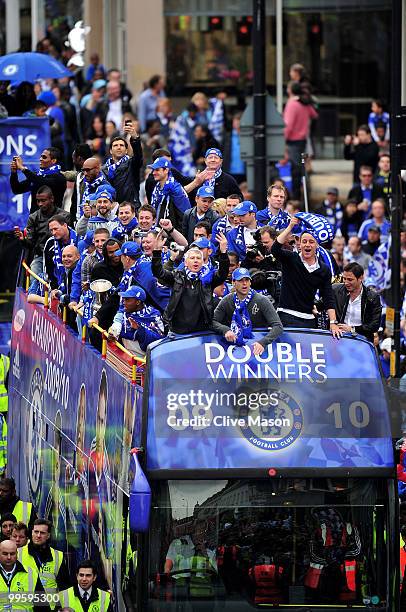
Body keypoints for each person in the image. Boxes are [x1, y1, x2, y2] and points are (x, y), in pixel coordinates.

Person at [271, 217, 341, 336]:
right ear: (300, 244)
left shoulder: (323, 269)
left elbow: (328, 297)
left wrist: (333, 322)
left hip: (309, 319)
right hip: (286, 316)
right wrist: (290, 227)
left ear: (317, 245)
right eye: (304, 241)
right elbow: (275, 249)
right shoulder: (291, 258)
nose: (307, 245)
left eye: (311, 242)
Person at [152, 232, 229, 334]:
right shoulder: (177, 276)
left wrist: (223, 253)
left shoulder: (209, 279)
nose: (196, 261)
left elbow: (223, 273)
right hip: (177, 331)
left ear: (202, 262)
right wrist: (157, 252)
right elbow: (159, 273)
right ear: (185, 262)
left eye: (198, 258)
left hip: (202, 331)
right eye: (192, 258)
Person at [213, 268, 283, 354]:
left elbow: (278, 326)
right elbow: (213, 321)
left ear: (250, 282)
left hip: (258, 347)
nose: (244, 283)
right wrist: (225, 330)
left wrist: (263, 342)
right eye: (240, 280)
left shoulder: (262, 300)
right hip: (235, 349)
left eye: (247, 280)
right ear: (233, 283)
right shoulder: (227, 300)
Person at [13, 186, 70, 286]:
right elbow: (30, 244)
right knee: (34, 278)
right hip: (40, 257)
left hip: (62, 256)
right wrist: (23, 239)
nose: (40, 204)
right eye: (38, 201)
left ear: (51, 199)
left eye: (43, 201)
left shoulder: (64, 216)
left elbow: (70, 239)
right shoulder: (33, 217)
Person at [18, 519, 70, 606]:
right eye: (36, 532)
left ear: (48, 535)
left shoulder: (58, 556)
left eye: (42, 533)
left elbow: (64, 588)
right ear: (32, 533)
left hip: (51, 608)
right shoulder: (17, 554)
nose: (38, 535)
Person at [283, 81, 318, 198]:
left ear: (290, 90)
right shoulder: (304, 103)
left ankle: (296, 197)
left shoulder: (292, 103)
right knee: (300, 168)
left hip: (293, 141)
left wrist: (283, 140)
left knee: (295, 170)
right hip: (303, 140)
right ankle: (304, 194)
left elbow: (288, 125)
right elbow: (314, 114)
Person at [108, 286, 164, 358]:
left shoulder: (154, 315)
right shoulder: (123, 313)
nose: (124, 303)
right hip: (126, 356)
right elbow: (114, 331)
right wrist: (113, 333)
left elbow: (159, 341)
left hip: (146, 360)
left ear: (138, 302)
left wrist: (139, 330)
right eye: (124, 299)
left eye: (127, 300)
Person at [332, 262, 382, 342]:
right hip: (338, 340)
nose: (346, 283)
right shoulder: (335, 290)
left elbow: (374, 325)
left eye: (350, 280)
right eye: (344, 278)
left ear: (360, 278)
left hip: (362, 342)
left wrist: (352, 329)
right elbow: (320, 304)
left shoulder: (372, 297)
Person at [10, 147, 67, 213]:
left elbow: (42, 182)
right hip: (34, 220)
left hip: (52, 220)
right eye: (41, 157)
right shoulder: (37, 176)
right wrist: (13, 172)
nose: (40, 159)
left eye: (44, 157)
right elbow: (16, 189)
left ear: (53, 161)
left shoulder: (59, 178)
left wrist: (23, 168)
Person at [101, 123, 143, 205]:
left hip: (130, 208)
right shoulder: (104, 169)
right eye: (115, 145)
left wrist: (135, 138)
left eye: (121, 145)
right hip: (111, 211)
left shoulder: (132, 164)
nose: (119, 147)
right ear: (110, 150)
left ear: (126, 150)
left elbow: (138, 156)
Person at [0, 540, 44, 611]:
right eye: (5, 554)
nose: (9, 557)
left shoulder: (31, 573)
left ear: (17, 554)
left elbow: (42, 606)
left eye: (12, 554)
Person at [148, 157, 190, 230]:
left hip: (173, 232)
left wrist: (175, 235)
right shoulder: (157, 188)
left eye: (157, 170)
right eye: (153, 170)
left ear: (166, 170)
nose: (153, 173)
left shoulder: (175, 189)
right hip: (160, 229)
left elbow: (183, 214)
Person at [43, 215, 77, 290]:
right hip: (56, 287)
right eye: (51, 230)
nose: (53, 233)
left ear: (65, 225)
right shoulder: (50, 243)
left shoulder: (78, 239)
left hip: (76, 285)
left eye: (56, 229)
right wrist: (54, 288)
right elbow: (48, 269)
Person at [67, 143, 93, 225]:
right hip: (77, 221)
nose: (73, 162)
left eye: (73, 159)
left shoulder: (99, 177)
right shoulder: (79, 176)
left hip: (92, 221)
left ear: (79, 158)